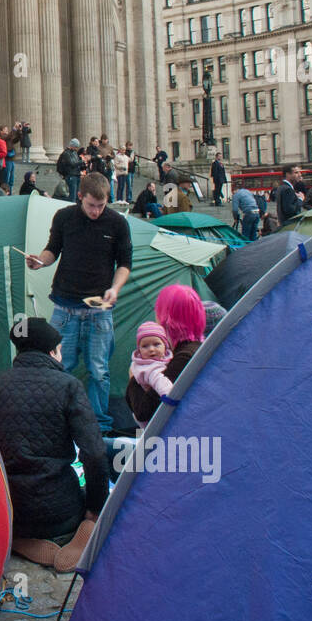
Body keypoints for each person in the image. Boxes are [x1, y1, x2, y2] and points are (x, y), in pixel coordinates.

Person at [0, 317, 109, 572]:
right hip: (60, 511)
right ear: (52, 351)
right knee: (97, 503)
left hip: (12, 506)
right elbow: (94, 453)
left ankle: (19, 538)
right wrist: (96, 506)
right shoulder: (68, 386)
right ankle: (86, 528)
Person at [25, 173, 132, 435]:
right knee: (61, 367)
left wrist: (115, 288)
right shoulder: (64, 217)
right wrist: (40, 261)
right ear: (80, 197)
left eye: (101, 205)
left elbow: (125, 265)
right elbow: (53, 250)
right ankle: (60, 422)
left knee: (99, 372)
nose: (96, 211)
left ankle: (100, 428)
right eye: (91, 205)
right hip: (65, 307)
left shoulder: (117, 223)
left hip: (98, 310)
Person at [127, 285, 206, 426]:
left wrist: (134, 379)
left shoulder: (183, 358)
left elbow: (143, 411)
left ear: (167, 318)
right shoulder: (201, 347)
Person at [126, 322, 173, 427]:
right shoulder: (147, 366)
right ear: (139, 349)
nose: (151, 349)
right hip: (150, 415)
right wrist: (169, 394)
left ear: (165, 345)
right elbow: (158, 379)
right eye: (145, 346)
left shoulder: (165, 358)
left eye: (156, 344)